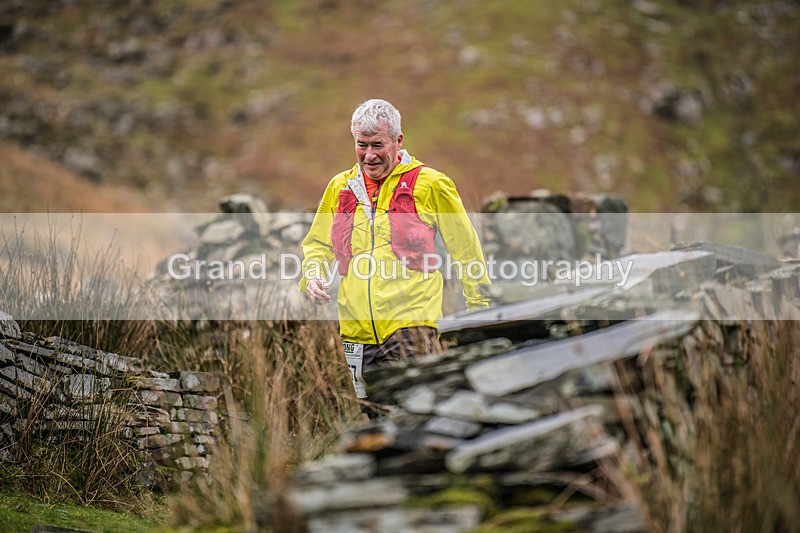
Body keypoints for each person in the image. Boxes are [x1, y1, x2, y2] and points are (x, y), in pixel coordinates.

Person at [299, 98, 490, 410]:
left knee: (414, 413)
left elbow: (466, 251)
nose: (370, 155)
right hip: (356, 332)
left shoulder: (431, 183)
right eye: (362, 145)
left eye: (378, 145)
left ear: (398, 141)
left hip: (412, 325)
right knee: (373, 418)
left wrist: (479, 308)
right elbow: (316, 245)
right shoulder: (339, 187)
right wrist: (313, 275)